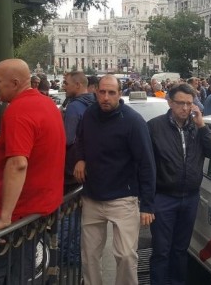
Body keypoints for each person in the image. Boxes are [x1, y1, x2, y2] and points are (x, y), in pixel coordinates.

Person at [0, 58, 65, 284]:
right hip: (38, 208)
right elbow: (38, 143)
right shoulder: (44, 103)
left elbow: (18, 164)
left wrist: (5, 217)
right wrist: (4, 142)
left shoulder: (18, 111)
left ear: (14, 83)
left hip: (20, 214)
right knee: (21, 271)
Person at [73, 75, 156, 285]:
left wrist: (147, 205)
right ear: (95, 92)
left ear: (120, 94)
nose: (106, 97)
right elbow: (80, 138)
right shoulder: (90, 114)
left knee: (126, 256)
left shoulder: (133, 122)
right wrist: (80, 159)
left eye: (111, 92)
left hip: (123, 197)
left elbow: (147, 163)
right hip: (92, 196)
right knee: (89, 255)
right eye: (102, 92)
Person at [148, 83, 211, 284]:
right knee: (161, 250)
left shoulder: (196, 127)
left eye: (190, 103)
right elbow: (145, 165)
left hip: (189, 198)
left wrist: (202, 126)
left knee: (180, 250)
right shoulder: (155, 127)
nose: (185, 108)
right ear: (170, 103)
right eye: (180, 103)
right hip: (164, 197)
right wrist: (147, 200)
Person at [63, 72, 96, 191]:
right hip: (92, 163)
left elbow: (68, 139)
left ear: (77, 85)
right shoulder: (95, 103)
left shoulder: (73, 107)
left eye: (66, 83)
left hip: (74, 166)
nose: (64, 86)